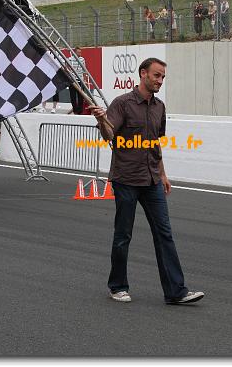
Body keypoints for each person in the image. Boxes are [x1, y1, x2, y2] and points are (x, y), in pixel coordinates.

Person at [88, 57, 204, 305]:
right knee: (123, 235)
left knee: (165, 234)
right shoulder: (122, 103)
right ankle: (118, 286)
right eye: (156, 75)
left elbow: (155, 144)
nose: (160, 81)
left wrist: (162, 174)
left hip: (152, 179)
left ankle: (176, 291)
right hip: (126, 178)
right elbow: (109, 135)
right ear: (143, 74)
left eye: (163, 77)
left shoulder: (160, 107)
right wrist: (101, 119)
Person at [68, 47, 87, 115]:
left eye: (80, 52)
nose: (80, 53)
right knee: (73, 96)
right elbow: (67, 68)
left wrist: (84, 79)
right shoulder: (70, 59)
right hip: (72, 81)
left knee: (81, 96)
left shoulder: (82, 59)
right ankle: (75, 110)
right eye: (78, 52)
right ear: (75, 53)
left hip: (80, 80)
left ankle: (80, 111)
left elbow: (84, 70)